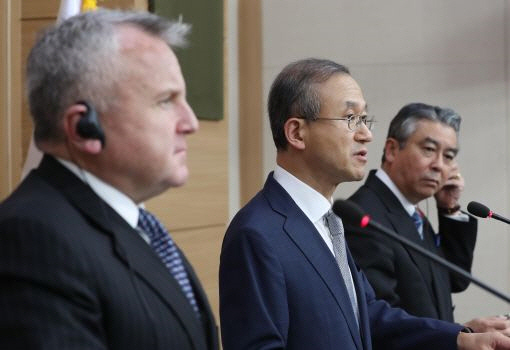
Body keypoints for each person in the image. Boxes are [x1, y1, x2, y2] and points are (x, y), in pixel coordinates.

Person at [219, 58, 510, 349]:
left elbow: (367, 317)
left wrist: (459, 339)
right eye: (350, 119)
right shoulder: (256, 234)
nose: (366, 134)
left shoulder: (328, 220)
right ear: (297, 133)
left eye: (364, 119)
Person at [0, 9, 218, 349]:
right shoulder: (32, 239)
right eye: (165, 101)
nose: (190, 122)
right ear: (83, 127)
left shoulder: (139, 225)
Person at [345, 103, 510, 333]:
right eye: (429, 150)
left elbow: (454, 279)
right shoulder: (365, 218)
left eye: (449, 156)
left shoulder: (412, 213)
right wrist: (461, 335)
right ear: (392, 150)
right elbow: (381, 324)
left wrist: (449, 207)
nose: (439, 165)